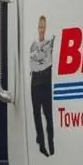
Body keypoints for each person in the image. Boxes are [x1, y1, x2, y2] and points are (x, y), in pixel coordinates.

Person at [29, 14, 55, 157]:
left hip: (45, 80)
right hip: (35, 82)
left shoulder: (48, 44)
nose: (41, 29)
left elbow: (47, 61)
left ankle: (51, 144)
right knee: (36, 113)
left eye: (43, 27)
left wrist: (40, 56)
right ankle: (41, 143)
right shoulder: (34, 44)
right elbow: (34, 60)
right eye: (40, 27)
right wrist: (40, 55)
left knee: (48, 114)